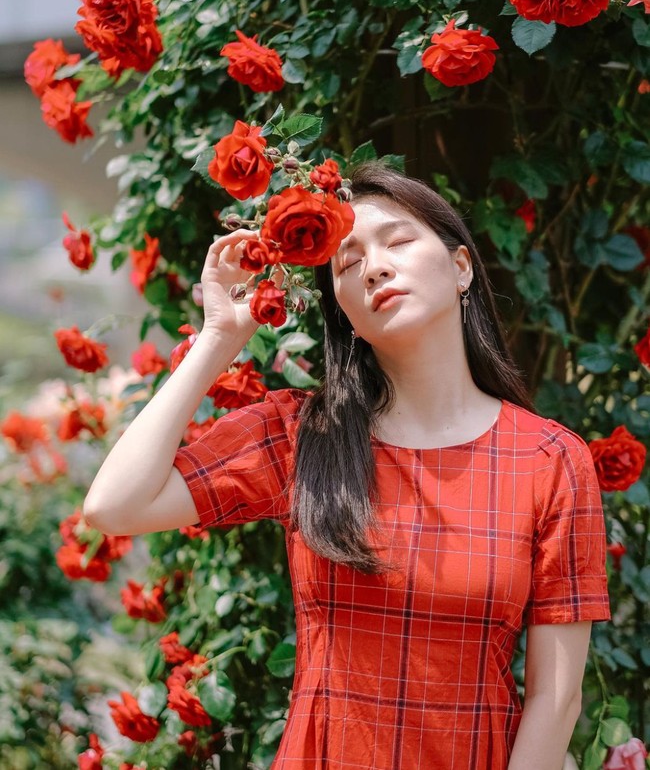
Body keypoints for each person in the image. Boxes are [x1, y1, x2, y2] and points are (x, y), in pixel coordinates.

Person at [83, 162, 611, 770]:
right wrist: (218, 338)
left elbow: (557, 696)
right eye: (348, 262)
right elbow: (113, 506)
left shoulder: (550, 460)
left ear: (461, 267)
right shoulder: (302, 437)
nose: (376, 267)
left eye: (398, 241)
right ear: (345, 314)